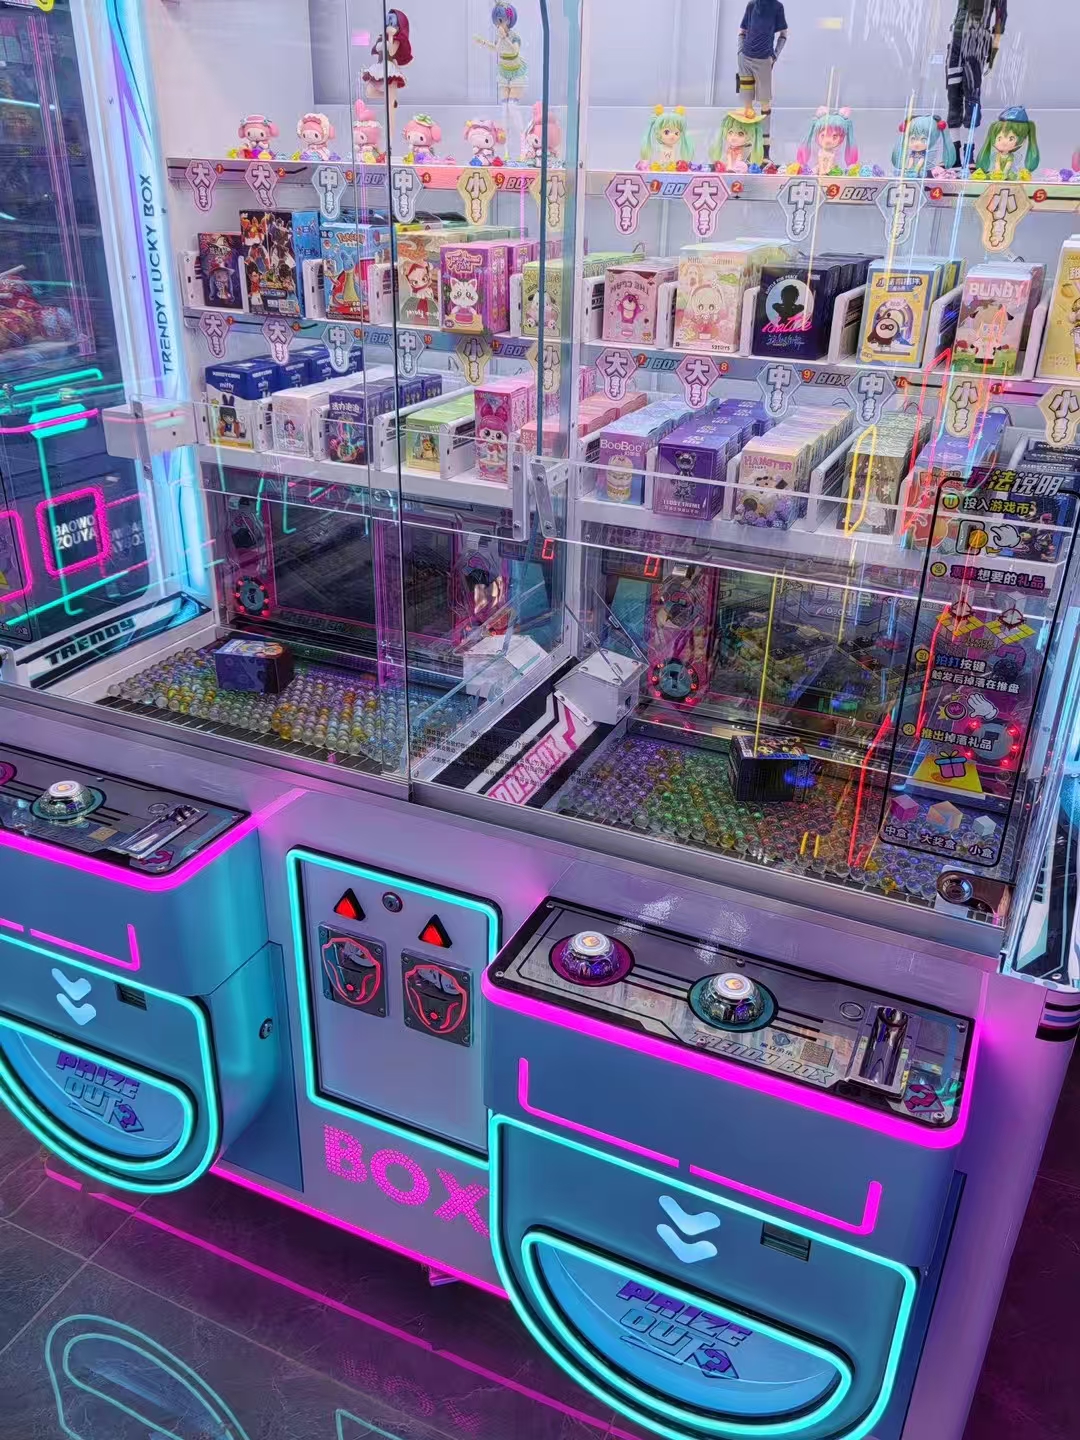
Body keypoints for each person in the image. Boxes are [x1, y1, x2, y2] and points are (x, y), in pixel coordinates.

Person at [737, 0, 788, 160]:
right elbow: (743, 29)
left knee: (765, 105)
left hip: (763, 61)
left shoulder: (777, 7)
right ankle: (745, 151)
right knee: (747, 105)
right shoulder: (752, 5)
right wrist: (740, 51)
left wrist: (774, 56)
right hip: (745, 59)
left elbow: (784, 34)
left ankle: (765, 153)